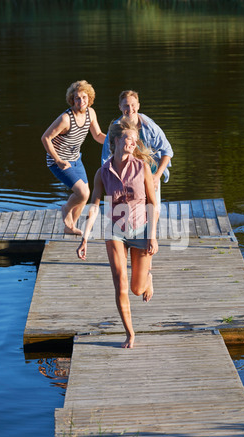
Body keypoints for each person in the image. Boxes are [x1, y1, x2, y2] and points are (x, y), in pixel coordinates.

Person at [77, 119, 159, 349]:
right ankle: (130, 333)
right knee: (120, 284)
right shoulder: (102, 173)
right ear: (115, 141)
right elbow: (94, 206)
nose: (132, 143)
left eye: (135, 140)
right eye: (128, 139)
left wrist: (152, 235)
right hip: (115, 232)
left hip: (141, 228)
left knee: (136, 288)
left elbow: (153, 203)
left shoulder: (142, 167)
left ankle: (147, 278)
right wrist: (85, 237)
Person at [41, 80, 106, 235]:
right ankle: (66, 208)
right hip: (58, 161)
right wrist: (57, 159)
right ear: (72, 100)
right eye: (77, 98)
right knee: (82, 193)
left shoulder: (91, 113)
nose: (81, 101)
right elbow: (45, 138)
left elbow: (97, 135)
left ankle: (69, 227)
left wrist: (115, 140)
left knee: (85, 195)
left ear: (89, 98)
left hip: (76, 158)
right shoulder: (65, 118)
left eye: (84, 97)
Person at [101, 90, 173, 207]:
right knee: (129, 215)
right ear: (120, 107)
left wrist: (157, 176)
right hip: (126, 179)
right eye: (126, 106)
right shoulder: (115, 130)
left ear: (138, 106)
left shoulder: (150, 126)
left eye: (133, 105)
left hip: (151, 173)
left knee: (154, 209)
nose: (130, 109)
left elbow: (167, 151)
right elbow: (106, 159)